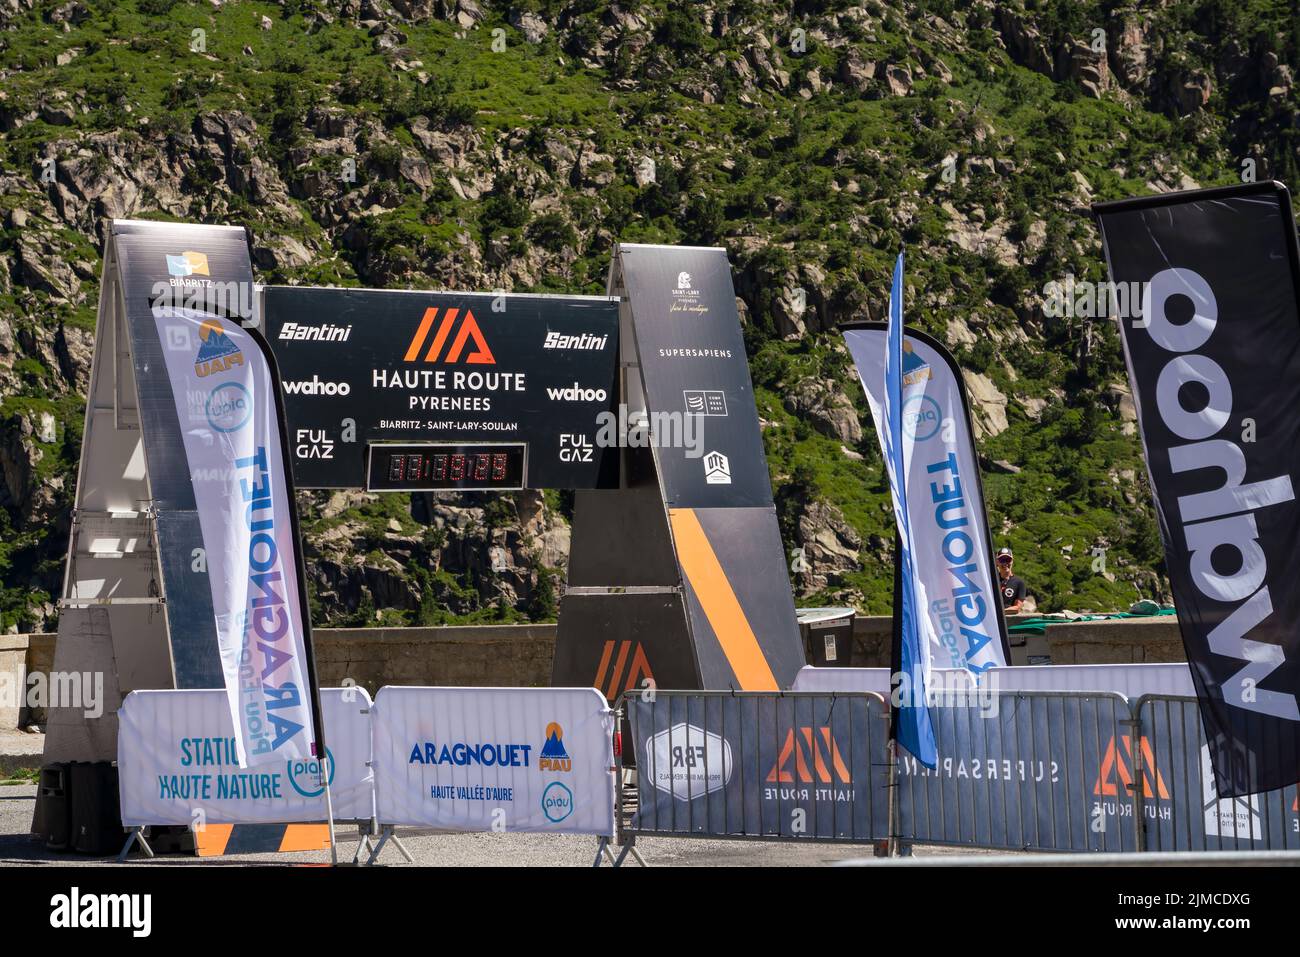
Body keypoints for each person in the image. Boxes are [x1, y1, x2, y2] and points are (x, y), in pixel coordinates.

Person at [996, 547, 1027, 615]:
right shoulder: (991, 580)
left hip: (1008, 621)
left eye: (1008, 560)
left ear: (1012, 561)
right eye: (1002, 560)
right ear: (997, 562)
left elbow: (1017, 608)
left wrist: (999, 612)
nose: (1005, 563)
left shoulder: (1019, 582)